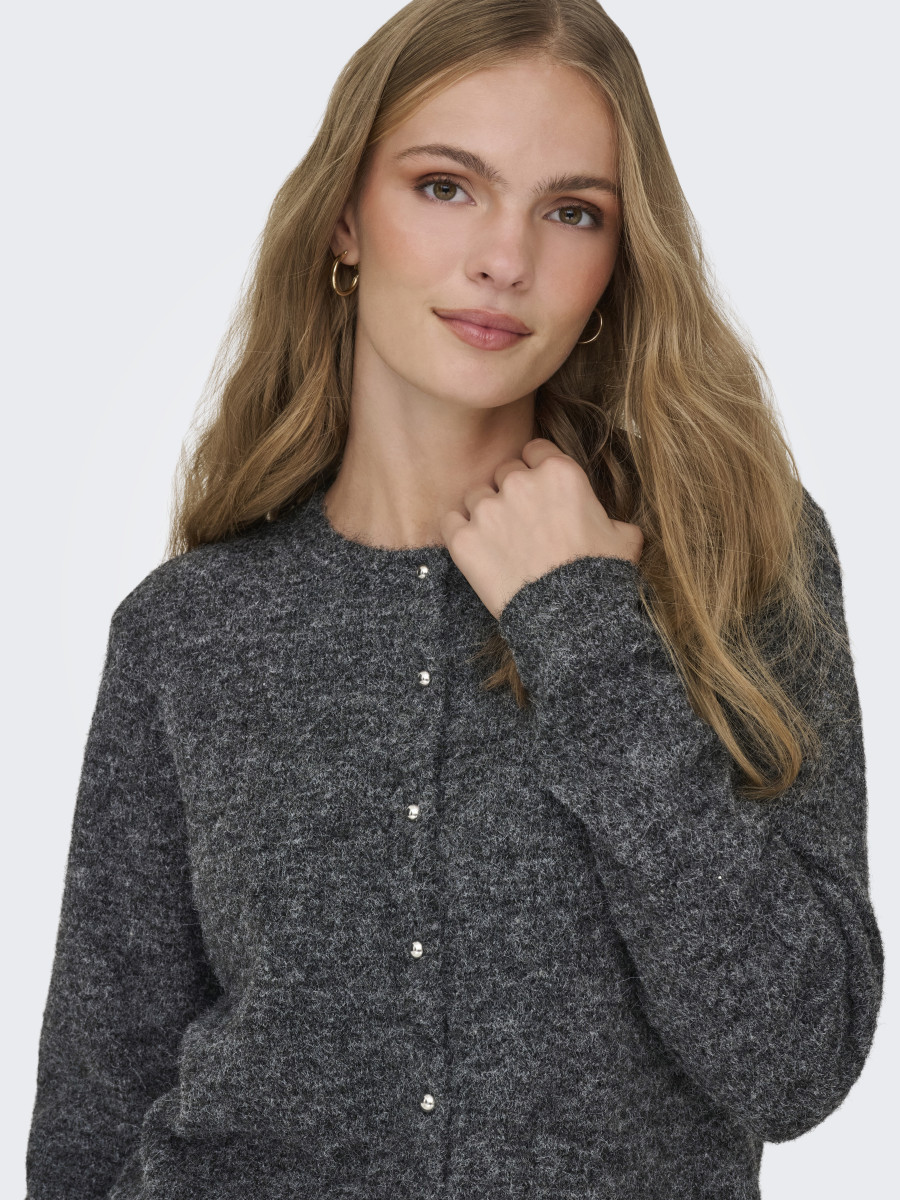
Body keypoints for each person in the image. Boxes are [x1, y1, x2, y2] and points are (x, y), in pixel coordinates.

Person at [25, 1, 884, 1197]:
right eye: (446, 186)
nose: (505, 259)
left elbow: (797, 1060)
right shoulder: (190, 629)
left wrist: (583, 624)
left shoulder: (728, 555)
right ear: (345, 217)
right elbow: (90, 1119)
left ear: (617, 264)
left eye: (572, 212)